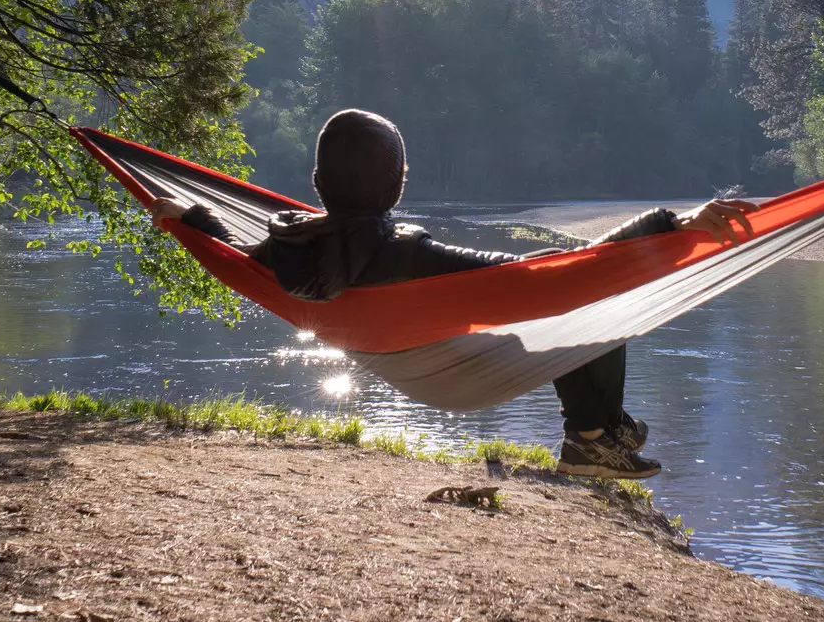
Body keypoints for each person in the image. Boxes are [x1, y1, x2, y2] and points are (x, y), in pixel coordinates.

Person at [149, 108, 755, 479]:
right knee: (586, 292)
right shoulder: (408, 253)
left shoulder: (283, 248)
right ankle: (594, 437)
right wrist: (668, 223)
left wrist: (190, 217)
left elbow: (230, 247)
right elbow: (547, 270)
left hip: (406, 363)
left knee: (579, 291)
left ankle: (606, 432)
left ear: (316, 182)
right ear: (396, 186)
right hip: (451, 368)